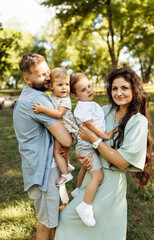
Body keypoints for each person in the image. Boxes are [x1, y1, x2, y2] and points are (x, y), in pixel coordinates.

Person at [54, 65, 154, 240]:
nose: (119, 93)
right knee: (67, 220)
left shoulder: (138, 121)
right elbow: (83, 135)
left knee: (104, 232)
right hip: (91, 175)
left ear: (134, 90)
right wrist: (83, 159)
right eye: (114, 88)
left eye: (124, 88)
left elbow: (123, 162)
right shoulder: (104, 111)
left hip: (111, 184)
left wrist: (95, 140)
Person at [13, 53, 73, 240]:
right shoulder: (37, 101)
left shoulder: (27, 94)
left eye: (48, 71)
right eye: (41, 75)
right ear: (27, 79)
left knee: (60, 210)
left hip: (43, 167)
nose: (48, 77)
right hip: (45, 171)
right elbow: (66, 140)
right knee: (47, 222)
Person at [69, 73, 114, 227]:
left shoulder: (89, 104)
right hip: (87, 146)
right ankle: (85, 206)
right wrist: (106, 135)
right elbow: (91, 126)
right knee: (98, 176)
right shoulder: (82, 108)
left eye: (89, 86)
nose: (88, 90)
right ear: (74, 95)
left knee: (85, 168)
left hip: (87, 145)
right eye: (83, 90)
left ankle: (77, 190)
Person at [32, 67, 79, 186]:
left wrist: (43, 109)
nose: (64, 88)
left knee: (57, 152)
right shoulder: (55, 95)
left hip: (67, 129)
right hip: (63, 128)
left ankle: (65, 174)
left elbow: (58, 114)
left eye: (67, 84)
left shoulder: (65, 100)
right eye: (60, 85)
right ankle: (67, 165)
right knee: (63, 152)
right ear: (51, 87)